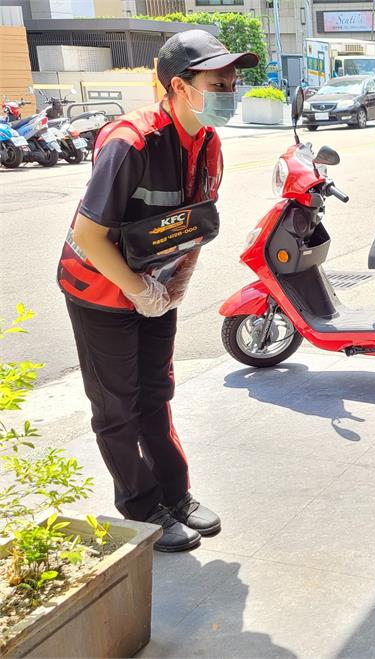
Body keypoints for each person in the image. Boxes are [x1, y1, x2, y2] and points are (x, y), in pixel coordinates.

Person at [57, 30, 258, 552]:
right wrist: (138, 290)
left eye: (233, 80)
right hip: (102, 291)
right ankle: (143, 509)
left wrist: (176, 283)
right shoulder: (132, 142)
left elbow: (195, 223)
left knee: (157, 393)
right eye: (219, 81)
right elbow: (87, 236)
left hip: (157, 286)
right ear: (180, 85)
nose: (230, 90)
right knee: (117, 406)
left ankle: (175, 492)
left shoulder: (208, 144)